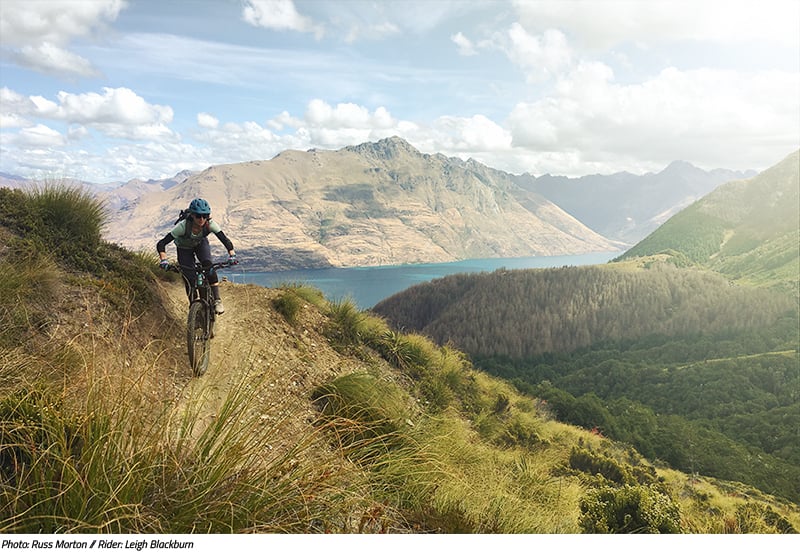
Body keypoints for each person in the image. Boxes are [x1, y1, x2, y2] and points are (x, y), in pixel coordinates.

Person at [156, 198, 237, 314]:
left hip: (200, 244)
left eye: (205, 216)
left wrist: (232, 255)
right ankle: (193, 306)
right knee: (189, 278)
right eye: (198, 216)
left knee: (209, 266)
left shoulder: (210, 225)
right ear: (192, 215)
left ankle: (217, 300)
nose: (202, 219)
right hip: (184, 249)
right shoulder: (183, 227)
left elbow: (225, 240)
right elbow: (161, 243)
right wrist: (163, 260)